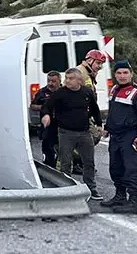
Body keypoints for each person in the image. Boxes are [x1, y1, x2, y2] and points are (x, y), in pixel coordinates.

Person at [100, 60, 137, 214]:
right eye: (119, 73)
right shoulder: (114, 89)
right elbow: (114, 113)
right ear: (115, 74)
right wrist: (108, 128)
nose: (122, 76)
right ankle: (120, 196)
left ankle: (133, 202)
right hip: (116, 137)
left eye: (125, 72)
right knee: (115, 168)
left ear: (131, 74)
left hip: (131, 136)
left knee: (132, 169)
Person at [42, 68, 104, 200]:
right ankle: (67, 189)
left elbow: (94, 109)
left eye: (70, 78)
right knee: (65, 162)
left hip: (84, 132)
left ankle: (91, 188)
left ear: (79, 80)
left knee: (89, 162)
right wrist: (46, 115)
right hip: (66, 133)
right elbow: (47, 106)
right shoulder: (60, 93)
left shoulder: (87, 92)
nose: (67, 81)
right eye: (66, 78)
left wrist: (99, 124)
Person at [72, 49, 108, 174]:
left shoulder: (88, 73)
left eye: (101, 64)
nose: (99, 67)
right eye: (98, 63)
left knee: (93, 137)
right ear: (89, 60)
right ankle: (75, 160)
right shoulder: (81, 73)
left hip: (85, 112)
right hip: (79, 113)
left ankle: (78, 161)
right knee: (93, 137)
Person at [30, 71, 62, 168]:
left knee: (62, 148)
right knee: (48, 148)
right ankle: (48, 166)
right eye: (49, 81)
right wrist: (44, 107)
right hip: (47, 126)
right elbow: (33, 106)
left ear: (59, 81)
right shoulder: (42, 92)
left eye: (53, 81)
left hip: (62, 125)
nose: (50, 84)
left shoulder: (64, 92)